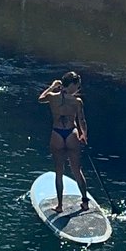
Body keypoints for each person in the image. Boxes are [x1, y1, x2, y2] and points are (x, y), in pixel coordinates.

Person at [38, 70, 89, 213]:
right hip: (71, 133)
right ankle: (85, 202)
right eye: (77, 86)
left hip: (57, 133)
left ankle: (60, 206)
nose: (78, 89)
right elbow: (82, 121)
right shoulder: (77, 101)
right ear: (71, 85)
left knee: (59, 172)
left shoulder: (52, 97)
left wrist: (52, 86)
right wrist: (84, 135)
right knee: (76, 170)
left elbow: (40, 99)